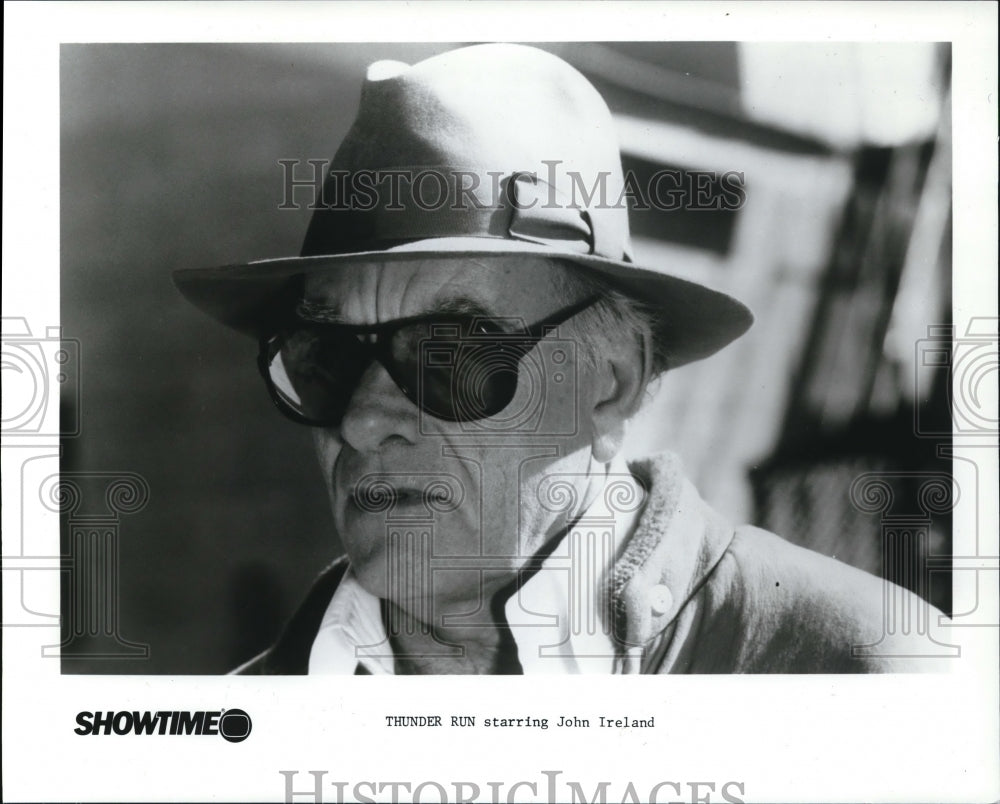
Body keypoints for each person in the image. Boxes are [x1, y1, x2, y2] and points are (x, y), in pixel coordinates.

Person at [175, 43, 941, 674]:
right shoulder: (233, 732)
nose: (368, 419)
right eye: (328, 360)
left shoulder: (871, 674)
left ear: (612, 386)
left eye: (450, 355)